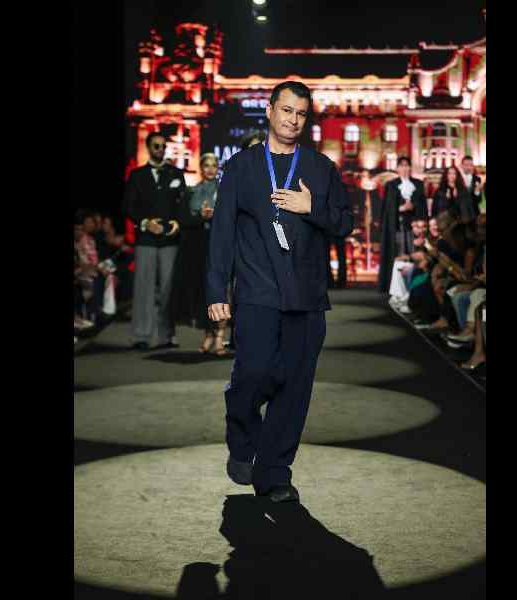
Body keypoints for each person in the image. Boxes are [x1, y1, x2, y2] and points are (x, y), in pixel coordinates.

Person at [207, 81, 353, 503]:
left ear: (307, 118)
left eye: (301, 114)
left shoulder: (321, 168)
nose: (292, 120)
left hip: (307, 295)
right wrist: (217, 289)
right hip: (257, 292)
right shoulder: (241, 167)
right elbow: (222, 235)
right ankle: (241, 436)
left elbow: (344, 224)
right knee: (252, 374)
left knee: (295, 390)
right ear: (269, 112)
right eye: (286, 110)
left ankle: (273, 473)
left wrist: (313, 210)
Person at [122, 131, 186, 350]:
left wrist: (178, 221)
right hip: (146, 238)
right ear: (149, 148)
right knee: (144, 288)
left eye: (162, 146)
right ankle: (141, 336)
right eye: (156, 146)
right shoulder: (137, 175)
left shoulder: (176, 173)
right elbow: (129, 206)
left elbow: (182, 204)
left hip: (170, 239)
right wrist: (145, 222)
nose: (160, 149)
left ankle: (167, 335)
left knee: (169, 289)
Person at [176, 153, 230, 354]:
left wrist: (218, 215)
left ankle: (219, 337)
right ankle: (207, 334)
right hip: (200, 246)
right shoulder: (193, 191)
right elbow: (184, 220)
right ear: (201, 167)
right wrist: (200, 216)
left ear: (218, 168)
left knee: (221, 291)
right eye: (206, 165)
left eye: (213, 165)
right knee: (203, 293)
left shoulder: (225, 190)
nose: (210, 169)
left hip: (222, 245)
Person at [378, 156, 427, 294]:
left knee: (413, 254)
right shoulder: (391, 185)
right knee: (398, 254)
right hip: (397, 226)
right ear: (397, 168)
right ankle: (396, 285)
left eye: (407, 165)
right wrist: (400, 208)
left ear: (410, 168)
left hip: (414, 227)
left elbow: (423, 206)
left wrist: (413, 206)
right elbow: (387, 208)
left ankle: (414, 286)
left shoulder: (418, 184)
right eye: (402, 165)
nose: (404, 168)